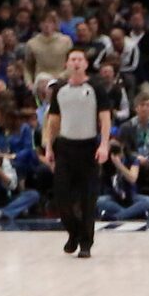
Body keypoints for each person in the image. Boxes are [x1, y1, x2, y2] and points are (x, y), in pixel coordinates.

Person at [43, 48, 110, 258]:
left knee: (87, 198)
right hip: (65, 147)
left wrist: (104, 144)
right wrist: (48, 146)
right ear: (67, 64)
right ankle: (73, 232)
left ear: (86, 64)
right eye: (72, 59)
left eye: (80, 59)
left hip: (89, 147)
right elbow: (53, 121)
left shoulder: (96, 87)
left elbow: (105, 118)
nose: (76, 62)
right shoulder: (60, 89)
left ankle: (85, 242)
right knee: (62, 196)